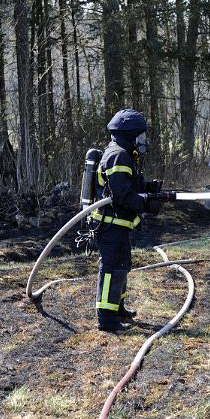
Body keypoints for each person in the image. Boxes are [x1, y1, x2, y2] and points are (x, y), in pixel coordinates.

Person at [91, 109, 163, 332]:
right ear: (129, 135)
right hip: (110, 225)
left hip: (117, 225)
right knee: (112, 268)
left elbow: (127, 186)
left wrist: (147, 190)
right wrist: (145, 204)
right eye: (140, 136)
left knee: (122, 266)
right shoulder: (118, 155)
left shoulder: (122, 153)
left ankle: (117, 308)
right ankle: (107, 318)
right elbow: (121, 195)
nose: (143, 141)